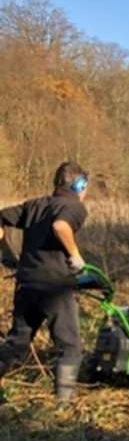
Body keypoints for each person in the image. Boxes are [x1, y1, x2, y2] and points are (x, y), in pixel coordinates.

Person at [0, 162, 90, 403]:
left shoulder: (35, 205)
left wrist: (5, 253)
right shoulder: (74, 207)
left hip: (27, 283)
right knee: (69, 347)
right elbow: (60, 226)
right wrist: (76, 256)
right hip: (57, 287)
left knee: (17, 344)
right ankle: (63, 405)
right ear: (80, 185)